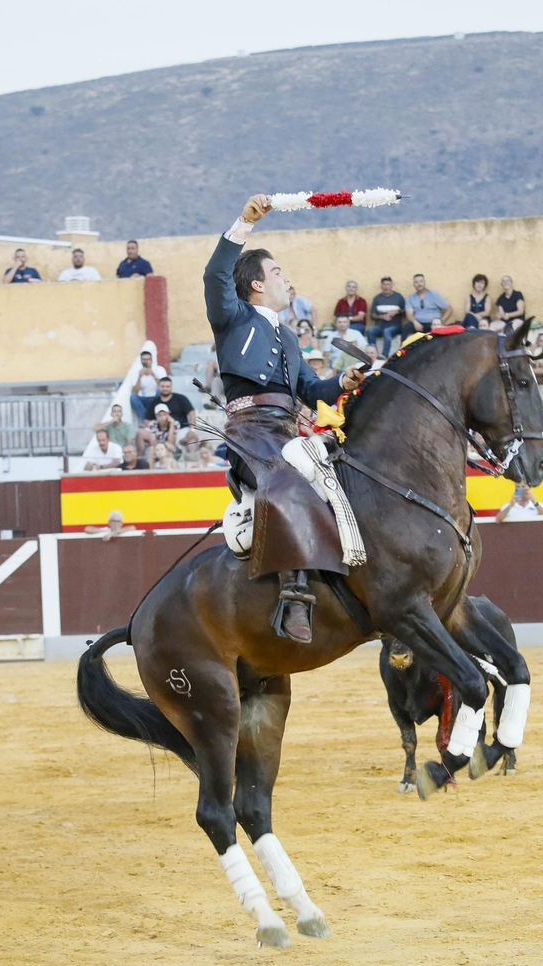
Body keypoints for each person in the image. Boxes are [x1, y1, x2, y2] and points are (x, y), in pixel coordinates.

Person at [204, 194, 363, 643]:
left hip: (288, 432)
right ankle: (294, 594)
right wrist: (244, 222)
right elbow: (215, 275)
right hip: (250, 433)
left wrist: (343, 381)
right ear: (256, 284)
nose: (286, 279)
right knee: (287, 477)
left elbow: (311, 390)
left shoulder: (289, 338)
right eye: (277, 272)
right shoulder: (232, 316)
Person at [366, 276, 407, 355]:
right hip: (380, 326)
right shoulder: (377, 298)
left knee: (387, 331)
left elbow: (405, 311)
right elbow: (372, 315)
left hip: (395, 326)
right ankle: (374, 353)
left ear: (391, 286)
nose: (386, 287)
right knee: (370, 331)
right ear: (381, 286)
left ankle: (384, 355)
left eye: (388, 284)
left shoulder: (398, 297)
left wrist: (397, 312)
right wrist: (382, 317)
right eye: (384, 284)